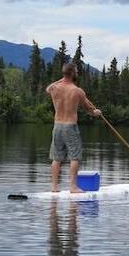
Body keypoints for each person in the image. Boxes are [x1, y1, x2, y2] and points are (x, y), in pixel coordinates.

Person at [46, 62, 102, 193]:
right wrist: (97, 113)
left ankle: (54, 187)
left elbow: (48, 88)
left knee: (56, 157)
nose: (77, 73)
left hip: (57, 126)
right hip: (70, 126)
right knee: (75, 157)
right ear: (71, 73)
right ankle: (73, 187)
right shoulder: (77, 91)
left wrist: (61, 78)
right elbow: (89, 110)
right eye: (76, 71)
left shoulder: (54, 88)